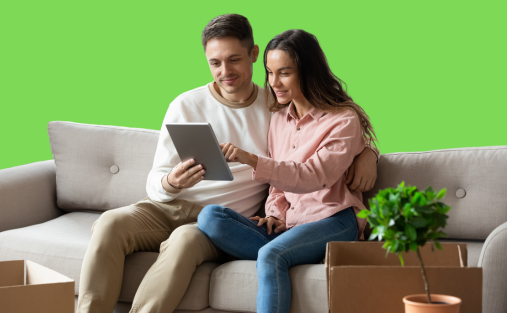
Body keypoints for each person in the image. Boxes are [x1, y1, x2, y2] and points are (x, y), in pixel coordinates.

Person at [77, 15, 379, 313]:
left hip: (221, 220)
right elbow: (157, 179)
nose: (225, 71)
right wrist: (171, 183)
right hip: (171, 207)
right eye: (215, 63)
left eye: (234, 60)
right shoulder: (191, 105)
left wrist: (368, 153)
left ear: (253, 54)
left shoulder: (272, 106)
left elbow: (329, 141)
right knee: (109, 223)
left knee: (189, 238)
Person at [198, 29, 377, 313]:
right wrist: (274, 215)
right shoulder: (279, 119)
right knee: (210, 217)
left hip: (334, 218)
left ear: (307, 71)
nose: (274, 83)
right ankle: (296, 251)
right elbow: (278, 186)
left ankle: (288, 252)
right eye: (269, 72)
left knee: (271, 255)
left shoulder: (343, 119)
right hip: (292, 226)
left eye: (284, 73)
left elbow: (313, 175)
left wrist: (252, 160)